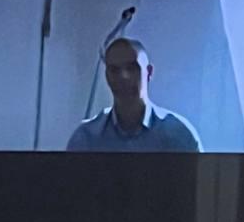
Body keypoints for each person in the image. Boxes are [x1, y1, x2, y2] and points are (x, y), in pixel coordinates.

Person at [67, 38, 201, 152]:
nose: (123, 77)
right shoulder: (86, 138)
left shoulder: (179, 134)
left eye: (132, 68)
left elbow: (200, 176)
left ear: (149, 72)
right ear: (106, 76)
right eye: (114, 70)